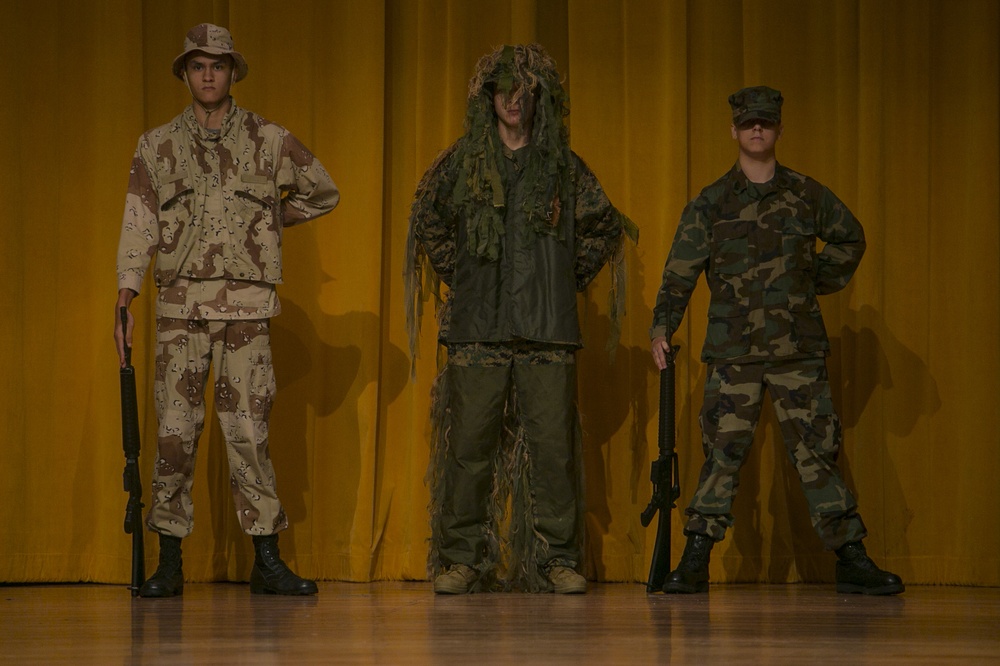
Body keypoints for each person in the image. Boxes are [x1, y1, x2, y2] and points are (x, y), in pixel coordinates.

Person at [649, 86, 903, 596]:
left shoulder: (807, 195)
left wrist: (813, 278)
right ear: (735, 131)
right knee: (721, 455)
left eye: (765, 122)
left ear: (780, 129)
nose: (757, 129)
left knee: (817, 454)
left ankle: (850, 557)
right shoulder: (711, 203)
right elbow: (679, 273)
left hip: (796, 350)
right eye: (748, 123)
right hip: (733, 352)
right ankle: (695, 556)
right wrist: (662, 326)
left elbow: (850, 238)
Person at [114, 24, 339, 597]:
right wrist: (126, 296)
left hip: (244, 309)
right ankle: (169, 563)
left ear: (233, 71)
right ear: (185, 73)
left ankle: (266, 561)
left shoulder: (269, 140)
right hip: (178, 310)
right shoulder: (156, 145)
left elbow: (323, 191)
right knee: (173, 435)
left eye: (218, 64)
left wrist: (270, 221)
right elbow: (139, 224)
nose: (208, 74)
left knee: (248, 433)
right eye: (197, 65)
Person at [406, 44, 637, 595]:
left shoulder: (562, 167)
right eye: (503, 88)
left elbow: (604, 227)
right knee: (467, 448)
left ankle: (559, 558)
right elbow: (427, 220)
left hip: (547, 332)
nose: (513, 98)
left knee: (554, 448)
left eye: (525, 88)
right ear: (488, 98)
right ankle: (462, 557)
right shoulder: (461, 163)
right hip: (477, 330)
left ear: (539, 96)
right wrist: (461, 278)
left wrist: (562, 278)